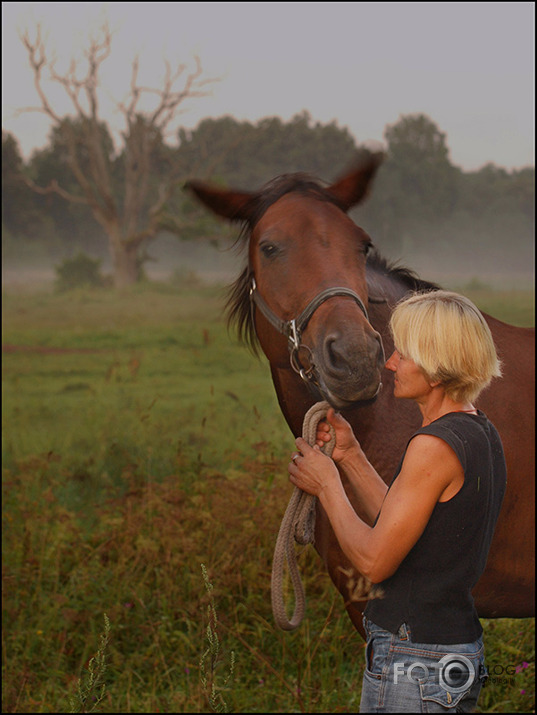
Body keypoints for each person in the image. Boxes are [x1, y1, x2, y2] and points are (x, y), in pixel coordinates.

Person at [288, 290, 506, 713]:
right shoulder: (479, 432)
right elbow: (404, 524)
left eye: (403, 354)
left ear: (436, 366)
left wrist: (327, 485)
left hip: (413, 659)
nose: (390, 364)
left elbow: (374, 561)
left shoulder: (431, 446)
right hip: (451, 652)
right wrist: (349, 457)